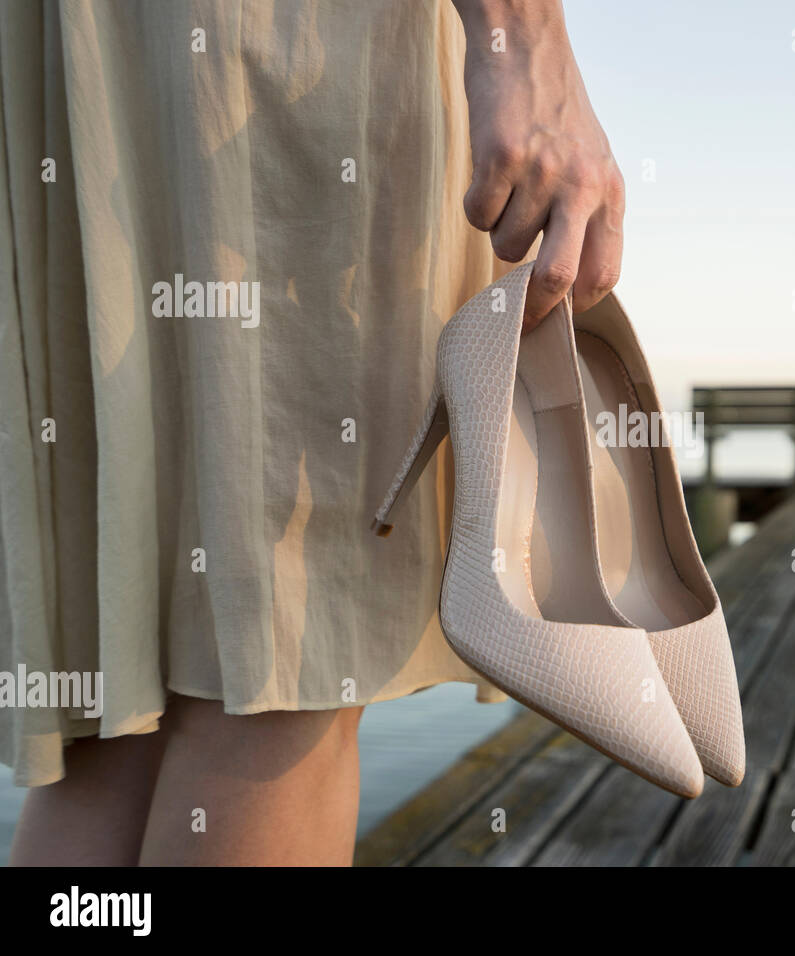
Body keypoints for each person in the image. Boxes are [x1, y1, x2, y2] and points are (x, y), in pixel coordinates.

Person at [0, 0, 624, 865]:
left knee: (129, 687)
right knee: (283, 662)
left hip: (83, 56)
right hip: (288, 41)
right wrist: (524, 39)